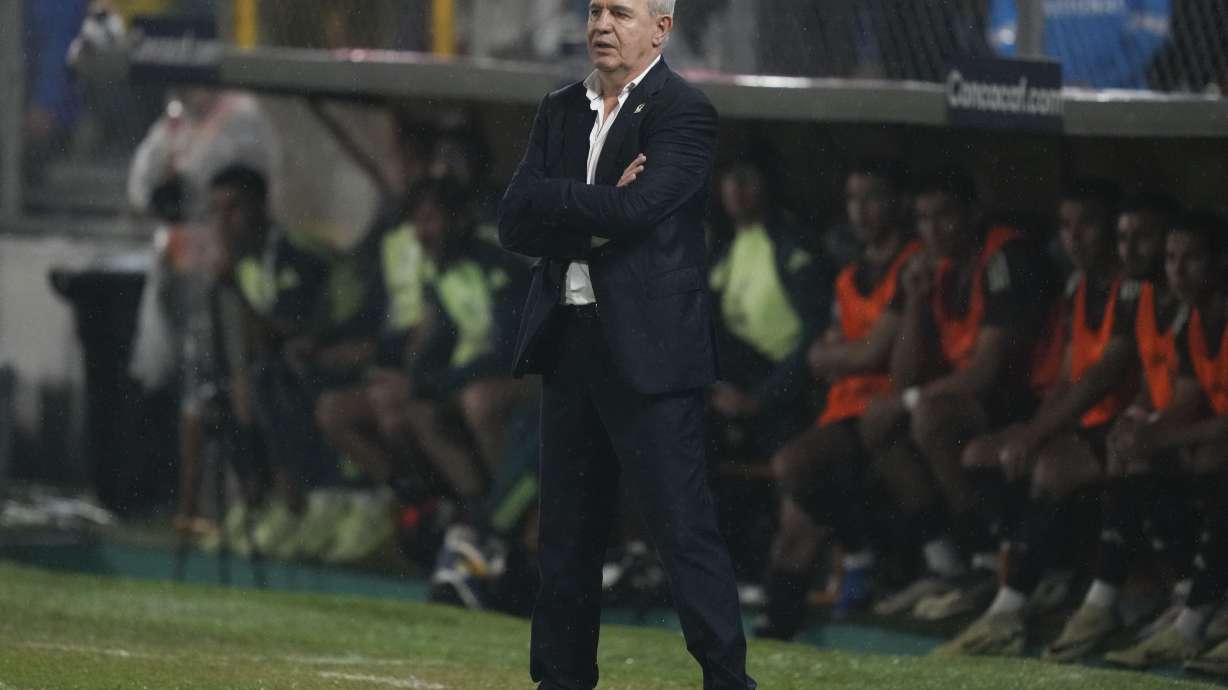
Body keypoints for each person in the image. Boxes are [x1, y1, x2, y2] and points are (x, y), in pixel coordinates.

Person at [497, 1, 755, 688]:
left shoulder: (684, 111)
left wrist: (561, 202)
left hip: (651, 354)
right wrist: (596, 209)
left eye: (621, 12)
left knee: (683, 534)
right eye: (595, 9)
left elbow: (641, 210)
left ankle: (730, 683)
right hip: (569, 346)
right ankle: (561, 681)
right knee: (566, 543)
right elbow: (513, 222)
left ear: (661, 29)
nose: (602, 25)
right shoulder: (559, 108)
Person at [936, 180, 1144, 655]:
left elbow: (1103, 377)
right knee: (982, 454)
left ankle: (1019, 610)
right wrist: (1029, 431)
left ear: (1111, 230)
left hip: (1122, 424)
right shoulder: (1077, 284)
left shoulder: (1131, 290)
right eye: (1066, 226)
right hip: (1085, 423)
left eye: (1087, 224)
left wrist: (1036, 437)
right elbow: (1071, 377)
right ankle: (1038, 574)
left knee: (1047, 464)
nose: (1074, 237)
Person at [861, 167, 1055, 619]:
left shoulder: (1006, 255)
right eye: (923, 219)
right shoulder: (932, 266)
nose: (932, 229)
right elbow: (904, 373)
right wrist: (913, 300)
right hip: (971, 400)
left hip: (1027, 399)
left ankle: (986, 556)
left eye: (943, 215)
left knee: (928, 416)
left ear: (973, 212)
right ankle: (945, 562)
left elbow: (989, 371)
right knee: (878, 422)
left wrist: (910, 401)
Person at [755, 158, 919, 639]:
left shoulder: (912, 265)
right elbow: (817, 355)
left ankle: (864, 552)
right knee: (794, 523)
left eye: (872, 197)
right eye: (853, 199)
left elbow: (875, 352)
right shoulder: (850, 275)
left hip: (884, 414)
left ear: (896, 203)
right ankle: (776, 630)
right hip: (843, 410)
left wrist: (847, 355)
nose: (861, 210)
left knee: (793, 466)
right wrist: (852, 355)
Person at [1042, 192, 1191, 663]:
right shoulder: (1143, 297)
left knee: (1143, 455)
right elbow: (1154, 384)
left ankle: (1190, 602)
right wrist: (1137, 420)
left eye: (1144, 238)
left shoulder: (1202, 307)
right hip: (1171, 432)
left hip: (1198, 438)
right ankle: (1134, 594)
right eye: (1124, 238)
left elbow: (1196, 397)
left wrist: (1153, 430)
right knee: (1117, 449)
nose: (1130, 250)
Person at [1093, 210, 1228, 671]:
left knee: (1212, 457)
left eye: (1192, 258)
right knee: (1142, 454)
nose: (1177, 269)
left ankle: (1193, 622)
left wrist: (1166, 437)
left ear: (1220, 263)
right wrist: (1145, 432)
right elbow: (1185, 401)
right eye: (1171, 258)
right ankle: (1187, 597)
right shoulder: (1193, 320)